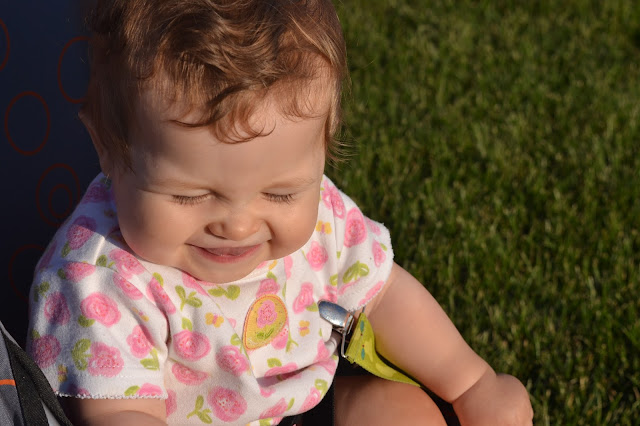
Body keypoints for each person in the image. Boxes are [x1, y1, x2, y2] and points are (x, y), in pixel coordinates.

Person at [26, 0, 534, 424]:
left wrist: (473, 382)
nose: (238, 225)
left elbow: (383, 294)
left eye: (281, 194)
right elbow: (120, 414)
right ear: (106, 146)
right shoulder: (98, 279)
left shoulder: (324, 219)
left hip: (303, 403)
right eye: (190, 196)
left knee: (403, 410)